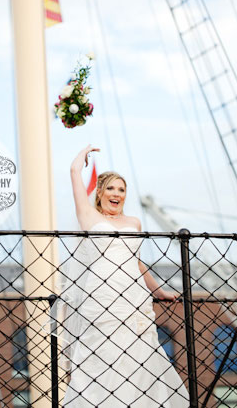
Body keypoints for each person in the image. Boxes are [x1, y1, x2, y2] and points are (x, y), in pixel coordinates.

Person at [56, 144, 189, 406]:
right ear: (100, 193)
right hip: (102, 294)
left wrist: (158, 291)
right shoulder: (88, 217)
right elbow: (73, 172)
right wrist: (80, 158)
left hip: (133, 296)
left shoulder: (134, 223)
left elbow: (137, 262)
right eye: (111, 188)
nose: (116, 194)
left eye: (121, 190)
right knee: (101, 353)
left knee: (140, 353)